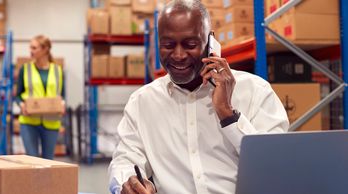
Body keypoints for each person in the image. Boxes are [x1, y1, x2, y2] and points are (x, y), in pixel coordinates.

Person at [108, 0, 289, 193]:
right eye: (168, 45)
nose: (178, 55)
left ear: (210, 41)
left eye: (190, 44)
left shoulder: (255, 91)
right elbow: (124, 159)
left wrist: (228, 114)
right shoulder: (142, 102)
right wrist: (129, 183)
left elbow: (276, 167)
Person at [16, 35, 65, 160]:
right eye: (30, 47)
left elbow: (62, 95)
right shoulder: (25, 69)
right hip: (29, 121)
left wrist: (63, 105)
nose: (30, 50)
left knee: (48, 161)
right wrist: (22, 105)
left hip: (51, 121)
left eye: (34, 48)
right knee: (32, 160)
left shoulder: (57, 70)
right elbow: (17, 95)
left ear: (45, 49)